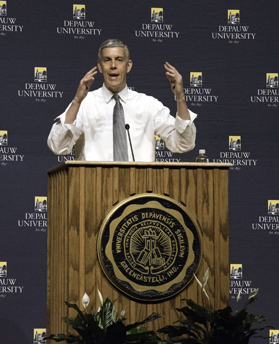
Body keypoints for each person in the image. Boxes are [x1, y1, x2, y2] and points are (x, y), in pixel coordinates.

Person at [47, 39, 197, 162]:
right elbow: (58, 146)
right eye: (107, 60)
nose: (113, 65)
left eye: (119, 60)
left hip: (139, 191)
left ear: (128, 66)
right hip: (93, 189)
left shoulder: (148, 105)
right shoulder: (85, 104)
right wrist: (76, 102)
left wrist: (180, 98)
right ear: (100, 66)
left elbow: (183, 144)